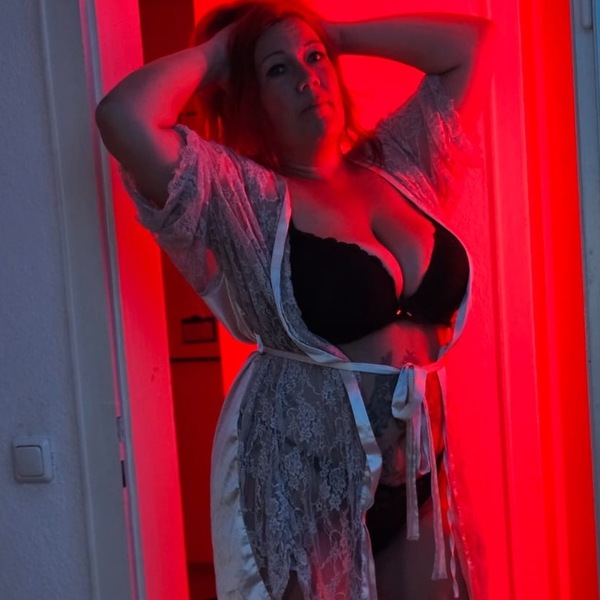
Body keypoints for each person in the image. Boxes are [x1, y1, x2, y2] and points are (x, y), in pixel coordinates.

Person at [96, 1, 492, 598]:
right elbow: (123, 116)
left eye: (314, 59)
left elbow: (471, 45)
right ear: (247, 96)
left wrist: (333, 34)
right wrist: (221, 53)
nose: (308, 78)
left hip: (417, 477)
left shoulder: (400, 163)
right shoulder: (240, 196)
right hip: (304, 484)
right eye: (278, 70)